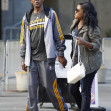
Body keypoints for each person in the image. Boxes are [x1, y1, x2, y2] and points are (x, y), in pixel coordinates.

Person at [20, 0, 69, 111]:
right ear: (31, 1)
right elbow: (23, 39)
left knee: (50, 88)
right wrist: (23, 58)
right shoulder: (27, 17)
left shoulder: (50, 14)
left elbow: (59, 36)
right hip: (32, 59)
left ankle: (63, 109)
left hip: (47, 59)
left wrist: (61, 54)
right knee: (31, 89)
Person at [68, 2, 102, 111]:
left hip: (90, 63)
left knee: (85, 91)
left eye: (77, 10)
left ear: (85, 13)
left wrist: (84, 42)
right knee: (72, 89)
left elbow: (96, 45)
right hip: (77, 61)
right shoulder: (75, 23)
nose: (75, 12)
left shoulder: (92, 28)